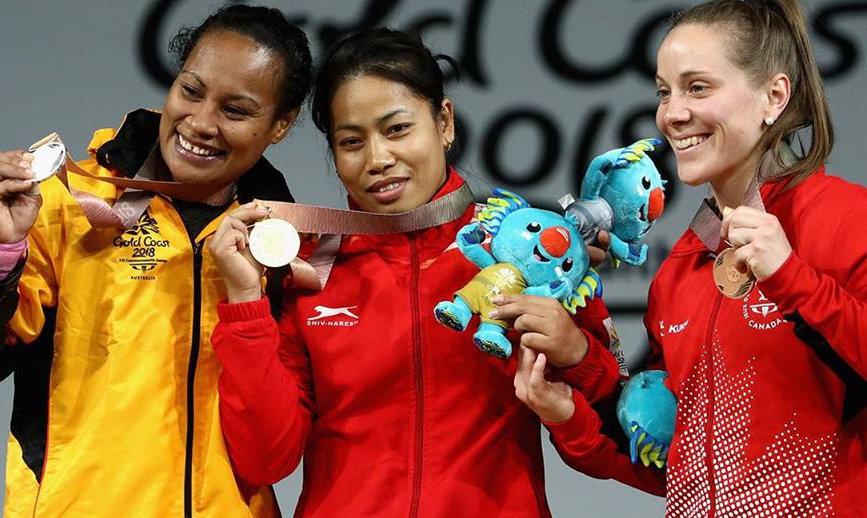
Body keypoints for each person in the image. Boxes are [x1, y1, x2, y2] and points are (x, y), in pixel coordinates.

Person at [207, 28, 625, 517]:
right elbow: (267, 459)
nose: (379, 159)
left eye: (397, 129)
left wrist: (577, 354)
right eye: (351, 141)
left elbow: (606, 450)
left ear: (443, 122)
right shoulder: (307, 269)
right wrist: (245, 302)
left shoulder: (530, 252)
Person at [0, 4, 311, 516]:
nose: (200, 122)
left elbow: (270, 458)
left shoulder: (281, 247)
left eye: (235, 111)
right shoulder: (69, 204)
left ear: (280, 124)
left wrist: (246, 299)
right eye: (190, 91)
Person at [513, 1, 867, 516]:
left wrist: (793, 279)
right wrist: (571, 414)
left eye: (697, 87)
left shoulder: (847, 219)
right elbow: (672, 462)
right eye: (664, 91)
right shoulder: (681, 267)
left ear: (774, 95)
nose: (672, 114)